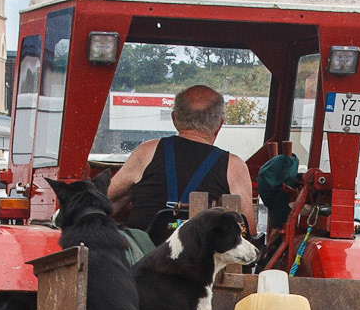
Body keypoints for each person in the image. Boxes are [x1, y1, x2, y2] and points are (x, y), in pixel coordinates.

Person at [107, 85, 256, 240]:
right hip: (200, 262)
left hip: (140, 259)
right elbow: (248, 231)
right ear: (219, 124)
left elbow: (105, 200)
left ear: (174, 119)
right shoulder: (234, 166)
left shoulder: (146, 152)